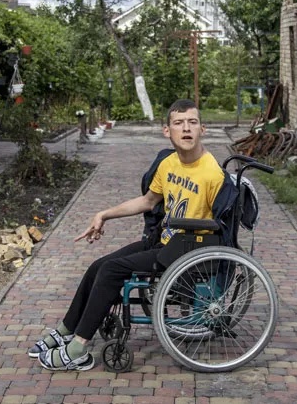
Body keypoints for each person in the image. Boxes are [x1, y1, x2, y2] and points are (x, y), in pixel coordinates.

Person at [29, 98, 228, 371]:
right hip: (166, 243)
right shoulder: (169, 164)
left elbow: (221, 229)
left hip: (188, 252)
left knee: (112, 270)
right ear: (166, 131)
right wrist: (104, 214)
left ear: (202, 130)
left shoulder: (212, 174)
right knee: (97, 266)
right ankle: (66, 329)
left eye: (192, 122)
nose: (186, 129)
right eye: (178, 123)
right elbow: (147, 201)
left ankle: (77, 347)